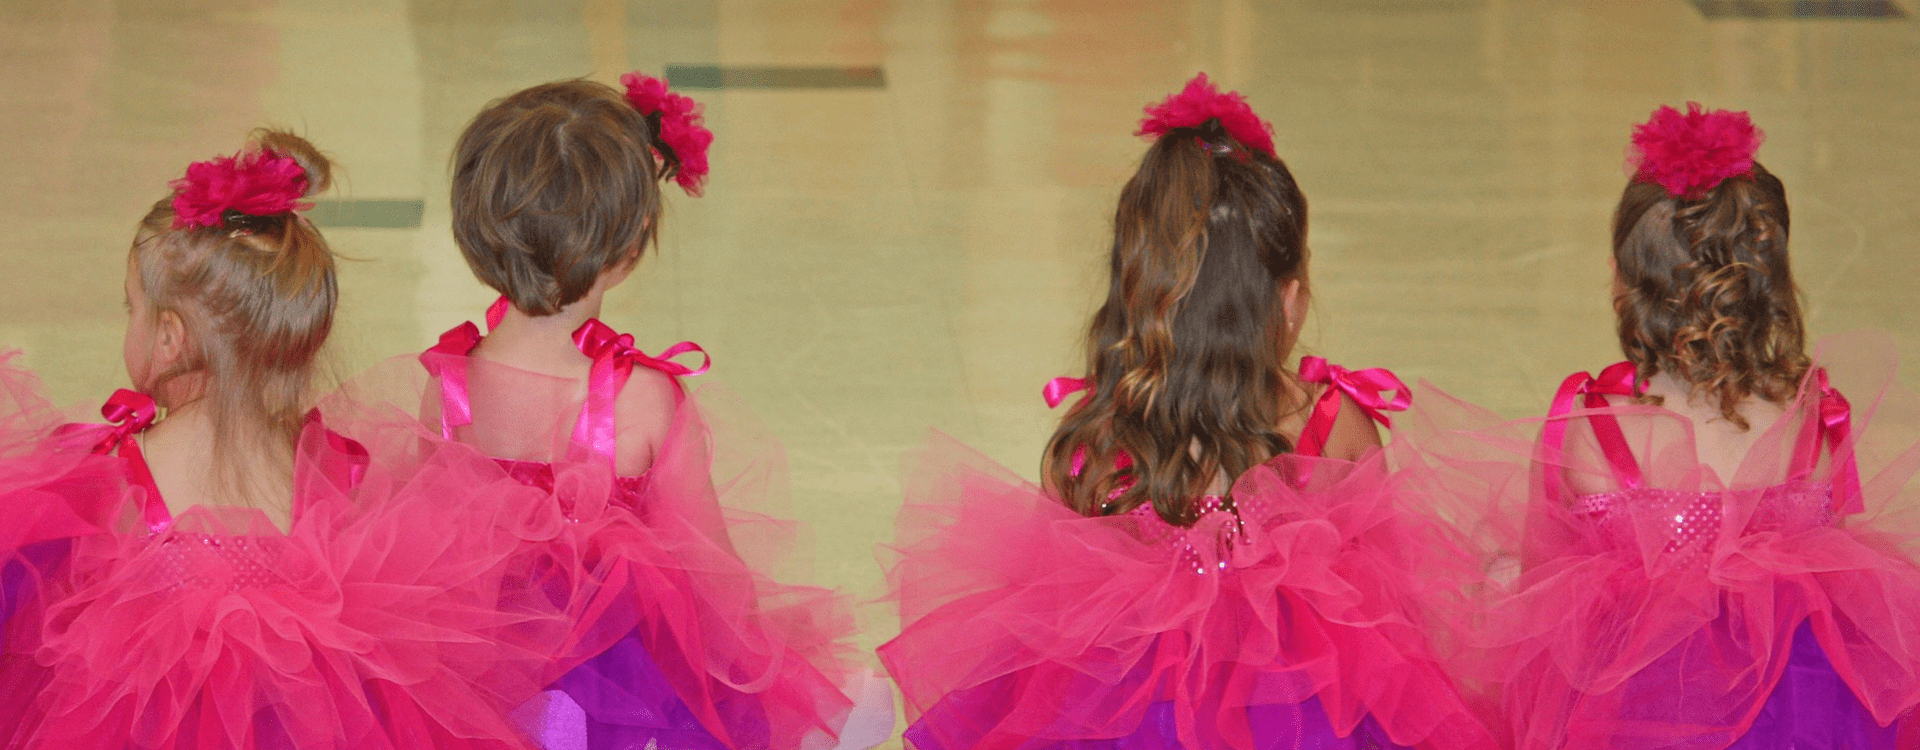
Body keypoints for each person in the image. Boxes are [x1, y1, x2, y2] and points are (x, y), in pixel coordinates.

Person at [878, 74, 1494, 750]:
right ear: (1289, 301)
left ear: (1135, 290)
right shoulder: (1332, 425)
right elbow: (1392, 604)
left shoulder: (1090, 446)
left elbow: (1045, 611)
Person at [333, 73, 889, 750]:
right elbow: (714, 573)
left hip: (484, 682)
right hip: (629, 687)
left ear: (474, 232)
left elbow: (438, 549)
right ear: (630, 246)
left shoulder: (449, 387)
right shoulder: (643, 399)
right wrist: (757, 671)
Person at [0, 130, 563, 749]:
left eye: (130, 307)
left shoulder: (116, 471)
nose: (128, 322)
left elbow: (38, 617)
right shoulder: (333, 469)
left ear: (168, 337)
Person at [1407, 103, 1920, 749]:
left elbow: (1547, 576)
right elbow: (1836, 576)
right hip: (1804, 713)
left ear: (1622, 282)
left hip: (1633, 713)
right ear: (1772, 284)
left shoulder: (1594, 426)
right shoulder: (1816, 417)